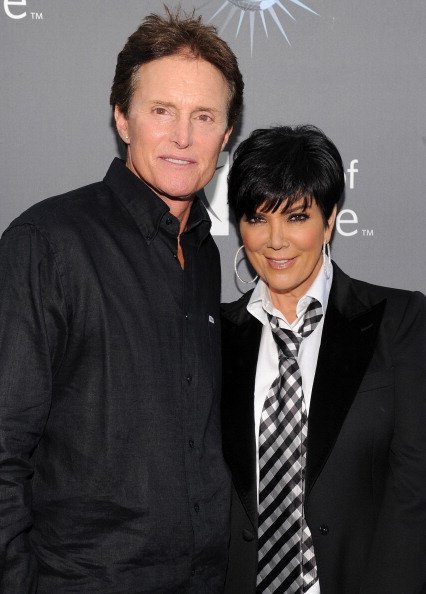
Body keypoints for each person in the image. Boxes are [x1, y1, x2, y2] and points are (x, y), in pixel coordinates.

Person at [0, 7, 243, 593]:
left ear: (226, 135)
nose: (183, 137)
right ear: (122, 119)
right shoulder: (49, 243)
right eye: (162, 111)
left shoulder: (206, 256)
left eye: (203, 116)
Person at [221, 125, 426, 593]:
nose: (275, 241)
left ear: (330, 218)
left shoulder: (400, 322)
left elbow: (415, 488)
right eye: (257, 218)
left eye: (296, 217)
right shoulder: (213, 336)